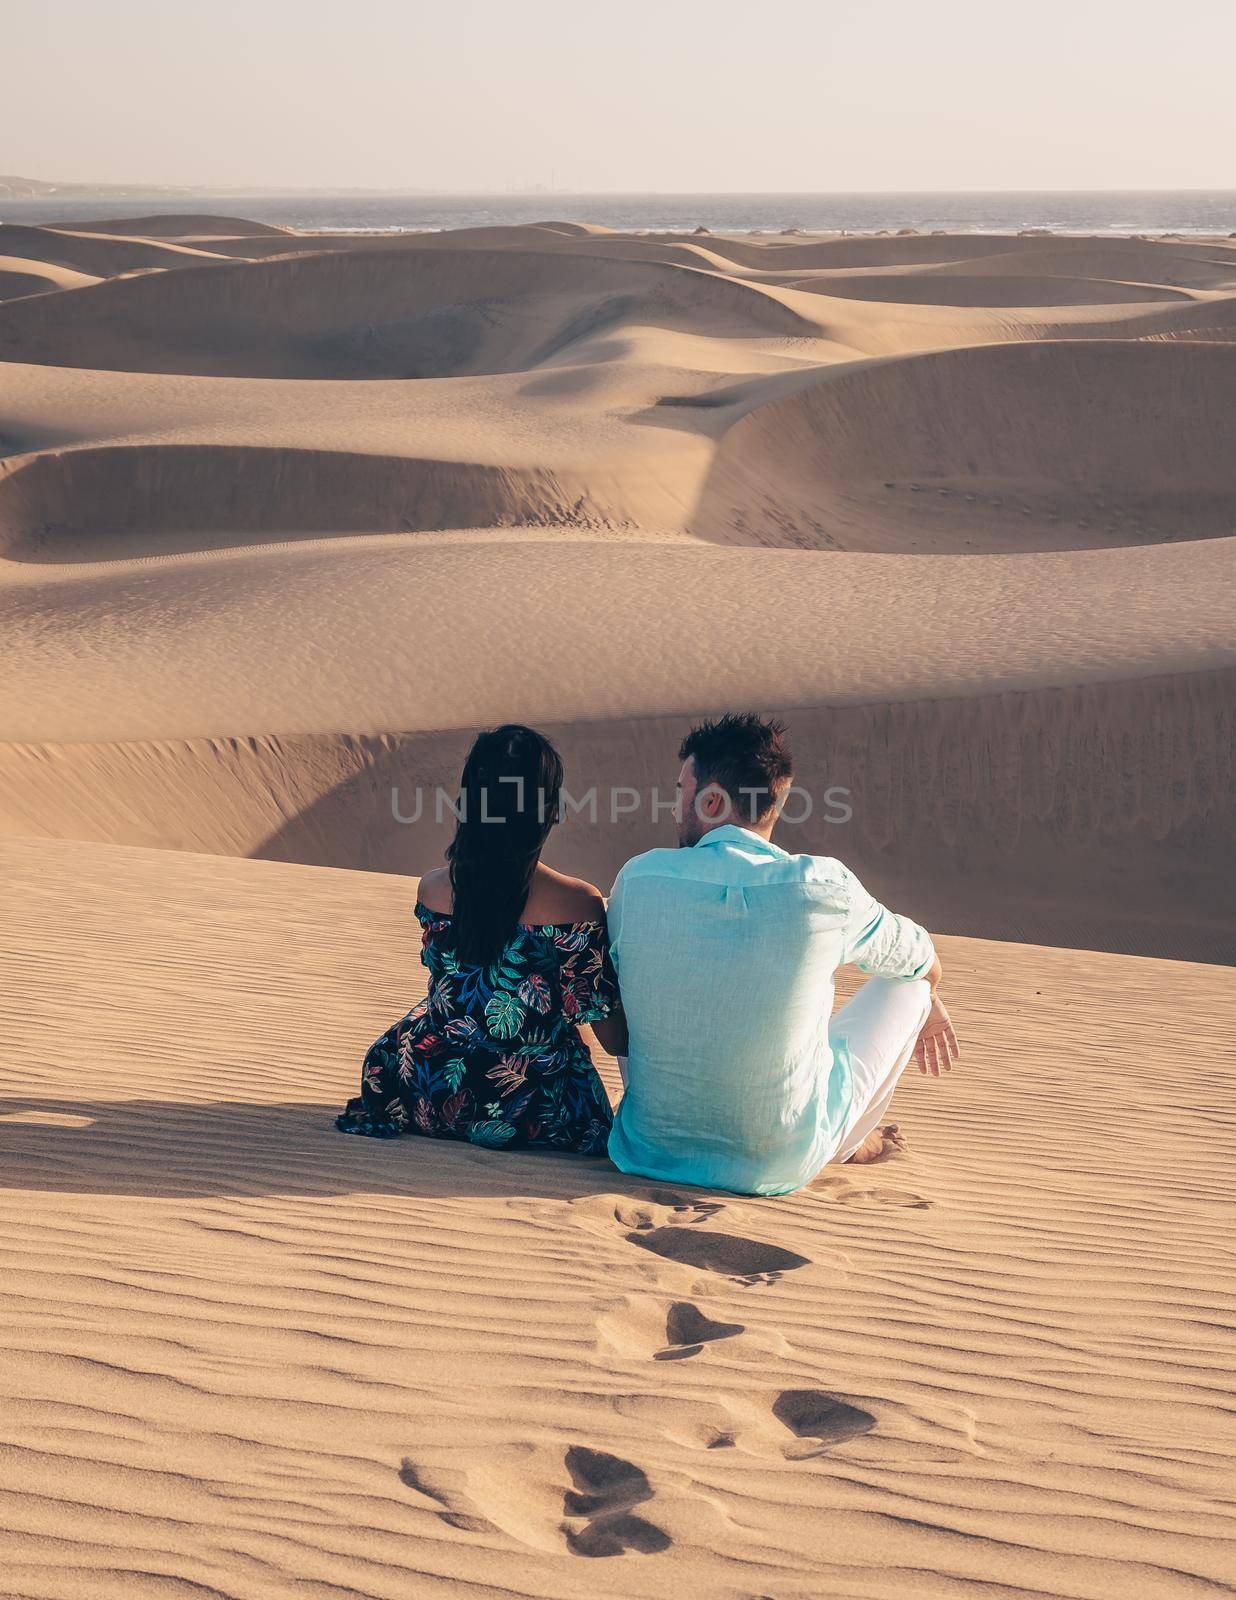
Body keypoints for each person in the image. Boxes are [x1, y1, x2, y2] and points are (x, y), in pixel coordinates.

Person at [606, 714, 958, 1196]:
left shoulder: (639, 880)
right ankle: (847, 1142)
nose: (673, 808)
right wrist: (930, 994)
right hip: (777, 1163)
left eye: (679, 792)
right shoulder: (824, 888)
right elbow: (921, 957)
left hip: (649, 1150)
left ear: (711, 801)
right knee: (911, 987)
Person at [337, 725, 626, 1154]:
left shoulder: (433, 891)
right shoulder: (576, 903)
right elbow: (613, 1038)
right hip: (531, 1107)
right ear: (549, 811)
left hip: (430, 1091)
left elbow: (463, 1000)